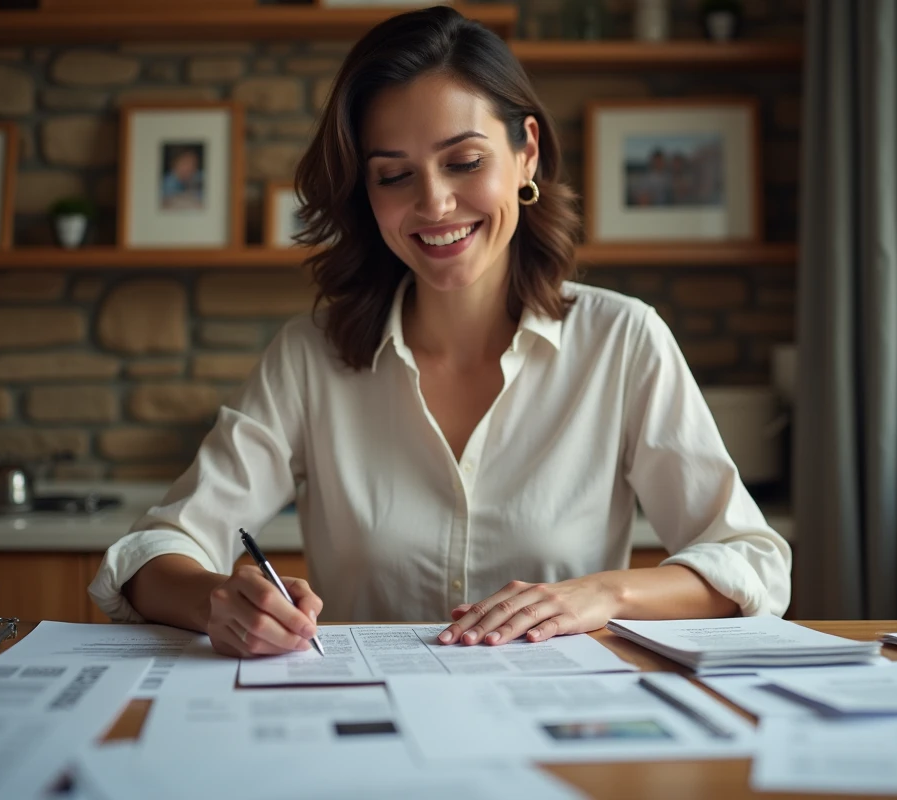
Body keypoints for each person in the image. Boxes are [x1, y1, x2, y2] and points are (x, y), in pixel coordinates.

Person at [88, 6, 791, 658]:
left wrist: (606, 592)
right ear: (367, 194)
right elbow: (152, 551)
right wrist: (221, 601)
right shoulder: (310, 356)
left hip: (562, 727)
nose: (434, 203)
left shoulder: (623, 341)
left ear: (527, 155)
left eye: (464, 162)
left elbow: (750, 561)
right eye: (394, 175)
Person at [160, 145, 204, 210]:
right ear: (174, 164)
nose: (189, 168)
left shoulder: (199, 177)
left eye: (193, 164)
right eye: (185, 163)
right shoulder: (167, 182)